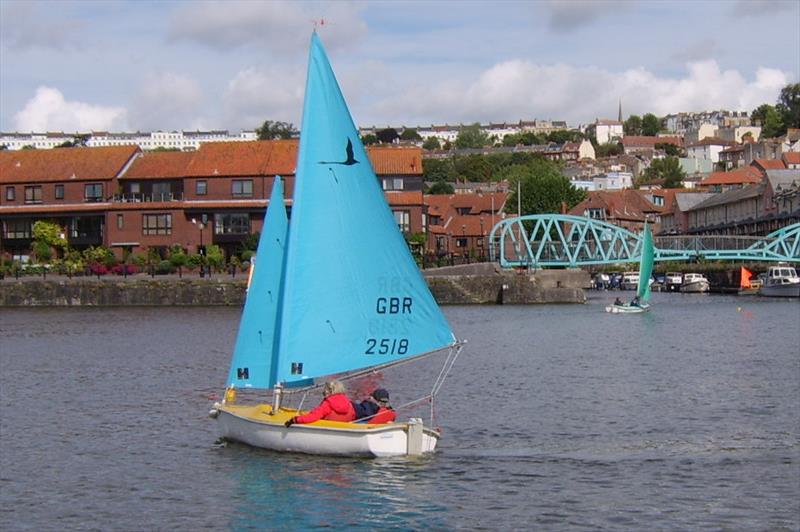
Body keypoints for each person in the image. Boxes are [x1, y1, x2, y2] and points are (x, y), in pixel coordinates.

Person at [284, 380, 356, 427]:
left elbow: (313, 417)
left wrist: (295, 420)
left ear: (330, 391)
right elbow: (353, 416)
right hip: (343, 427)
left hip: (330, 429)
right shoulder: (348, 403)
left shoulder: (328, 404)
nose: (324, 392)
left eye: (325, 390)